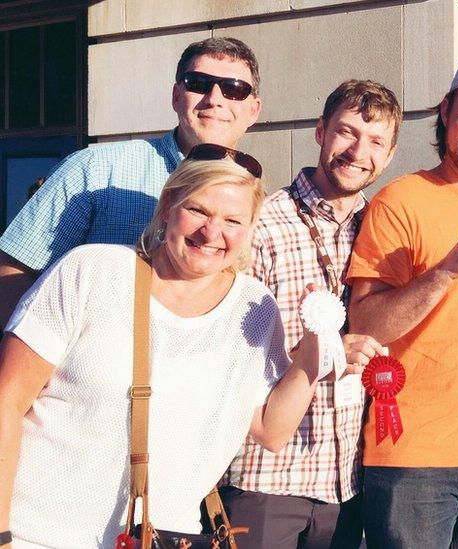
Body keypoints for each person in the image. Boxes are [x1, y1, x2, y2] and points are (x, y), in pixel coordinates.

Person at [0, 147, 326, 548]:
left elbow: (271, 429)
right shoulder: (91, 271)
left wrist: (315, 345)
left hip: (164, 538)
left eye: (232, 220)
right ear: (169, 204)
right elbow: (6, 401)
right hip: (36, 536)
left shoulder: (254, 309)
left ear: (249, 228)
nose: (212, 233)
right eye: (199, 211)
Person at [345, 58, 458, 549]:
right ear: (445, 112)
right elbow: (365, 323)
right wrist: (447, 269)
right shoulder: (398, 201)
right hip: (412, 456)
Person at [220, 80, 402, 549]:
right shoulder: (262, 222)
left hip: (348, 482)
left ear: (391, 153)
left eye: (376, 141)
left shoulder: (382, 229)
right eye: (346, 132)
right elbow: (227, 349)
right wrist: (322, 354)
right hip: (264, 477)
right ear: (320, 132)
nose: (358, 151)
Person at [0, 37, 263, 329]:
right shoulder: (95, 169)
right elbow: (14, 273)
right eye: (198, 82)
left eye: (234, 89)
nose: (215, 98)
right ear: (176, 96)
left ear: (254, 110)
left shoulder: (252, 197)